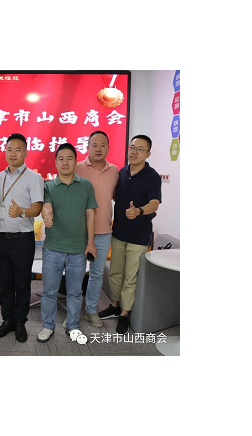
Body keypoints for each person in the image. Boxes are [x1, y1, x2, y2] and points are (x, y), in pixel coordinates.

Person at [98, 135, 161, 334]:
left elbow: (155, 203)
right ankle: (114, 306)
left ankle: (125, 314)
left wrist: (139, 211)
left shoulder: (152, 176)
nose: (134, 151)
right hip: (119, 233)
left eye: (140, 149)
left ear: (148, 154)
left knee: (130, 277)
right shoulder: (122, 172)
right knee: (115, 273)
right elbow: (119, 195)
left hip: (139, 237)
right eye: (132, 147)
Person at [37, 143, 97, 343]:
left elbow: (90, 215)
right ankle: (48, 326)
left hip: (78, 249)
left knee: (75, 292)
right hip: (53, 248)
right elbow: (46, 207)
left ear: (75, 161)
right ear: (55, 162)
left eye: (69, 158)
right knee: (49, 292)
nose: (65, 162)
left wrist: (91, 243)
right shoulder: (48, 186)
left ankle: (72, 326)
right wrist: (46, 216)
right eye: (61, 159)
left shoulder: (86, 185)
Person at [0, 133, 44, 342]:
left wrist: (22, 212)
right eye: (9, 149)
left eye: (18, 149)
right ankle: (7, 320)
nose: (13, 153)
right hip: (1, 238)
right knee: (4, 282)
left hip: (22, 238)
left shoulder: (34, 178)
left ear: (26, 153)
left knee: (22, 283)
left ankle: (20, 321)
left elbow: (37, 208)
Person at [74, 130, 119, 328]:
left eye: (102, 145)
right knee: (75, 273)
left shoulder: (115, 171)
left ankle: (91, 310)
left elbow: (116, 196)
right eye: (94, 145)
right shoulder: (77, 168)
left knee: (97, 274)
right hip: (79, 232)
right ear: (88, 147)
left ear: (108, 147)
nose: (98, 149)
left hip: (103, 232)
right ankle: (73, 311)